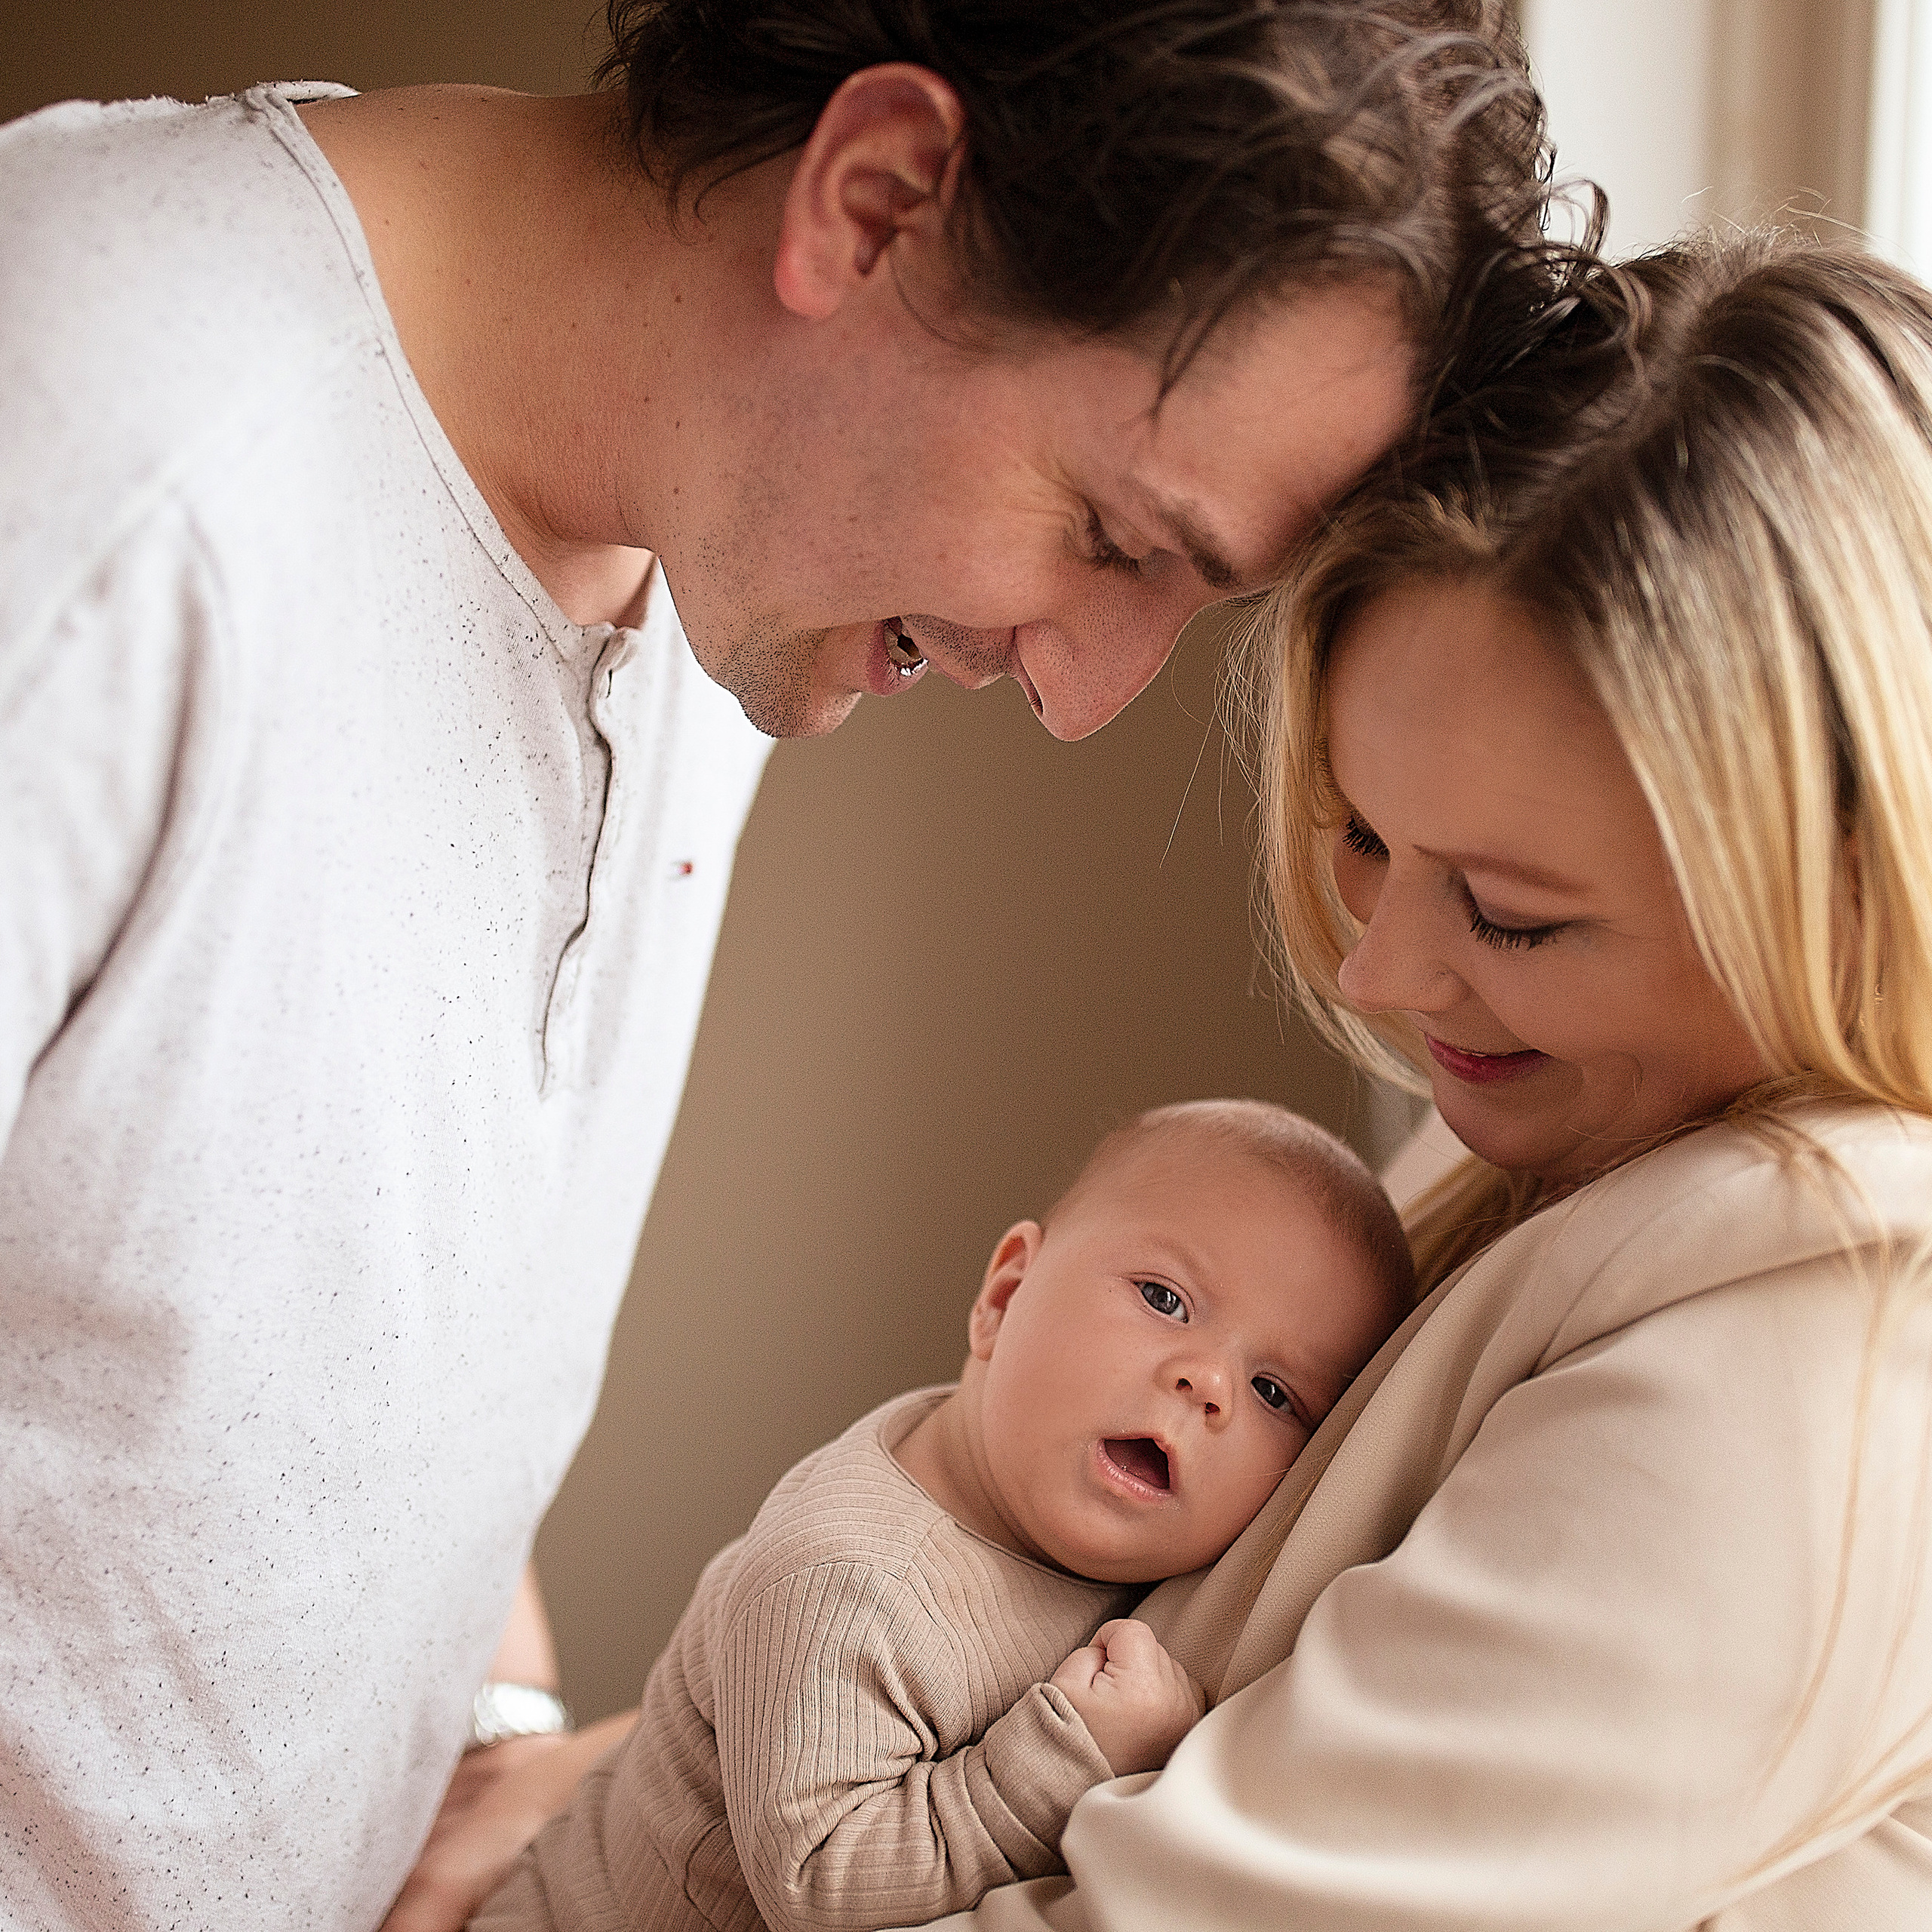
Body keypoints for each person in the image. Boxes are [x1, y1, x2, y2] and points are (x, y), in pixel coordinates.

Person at [0, 6, 1552, 1929]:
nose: (1078, 691)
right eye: (1104, 537)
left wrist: (484, 1737)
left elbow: (344, 1288)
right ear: (878, 200)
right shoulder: (83, 457)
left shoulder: (707, 567)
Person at [918, 234, 1932, 1930]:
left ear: (1847, 885)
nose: (1376, 974)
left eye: (1515, 916)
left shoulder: (1810, 1367)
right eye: (1362, 834)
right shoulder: (1567, 1192)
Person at [471, 1100, 1412, 1932]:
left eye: (1275, 1391)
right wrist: (1064, 1758)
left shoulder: (1058, 1505)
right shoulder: (850, 1579)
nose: (1206, 1382)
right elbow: (819, 1883)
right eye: (1165, 1300)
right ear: (1003, 1298)